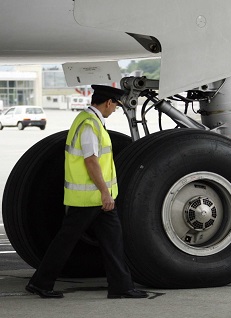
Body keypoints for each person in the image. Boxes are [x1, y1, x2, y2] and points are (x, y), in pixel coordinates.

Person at [25, 85, 148, 299]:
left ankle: (121, 286)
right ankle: (40, 282)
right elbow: (91, 161)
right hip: (90, 198)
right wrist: (104, 192)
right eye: (116, 105)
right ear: (108, 102)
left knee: (113, 241)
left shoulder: (89, 120)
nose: (116, 109)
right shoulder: (90, 125)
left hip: (97, 198)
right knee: (66, 241)